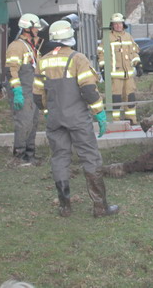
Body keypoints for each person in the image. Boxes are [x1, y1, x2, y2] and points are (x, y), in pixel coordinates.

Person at [33, 20, 118, 218]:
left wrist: (46, 110)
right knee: (90, 157)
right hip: (78, 118)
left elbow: (37, 94)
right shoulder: (77, 58)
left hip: (55, 118)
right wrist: (99, 112)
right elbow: (88, 89)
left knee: (60, 158)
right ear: (70, 37)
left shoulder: (43, 61)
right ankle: (100, 207)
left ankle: (64, 207)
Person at [5, 13, 42, 165]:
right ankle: (19, 156)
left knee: (33, 123)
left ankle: (30, 154)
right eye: (36, 27)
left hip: (32, 90)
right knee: (23, 123)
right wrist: (17, 91)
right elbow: (11, 70)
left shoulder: (32, 46)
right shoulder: (16, 46)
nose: (38, 30)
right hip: (22, 90)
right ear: (28, 28)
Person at [97, 13, 142, 125]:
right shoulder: (107, 38)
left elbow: (134, 52)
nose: (118, 26)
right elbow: (101, 54)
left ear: (123, 24)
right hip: (115, 75)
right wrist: (103, 68)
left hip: (128, 75)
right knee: (115, 99)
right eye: (115, 24)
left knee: (130, 98)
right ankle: (115, 122)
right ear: (112, 25)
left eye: (120, 23)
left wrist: (138, 64)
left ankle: (131, 120)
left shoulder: (128, 37)